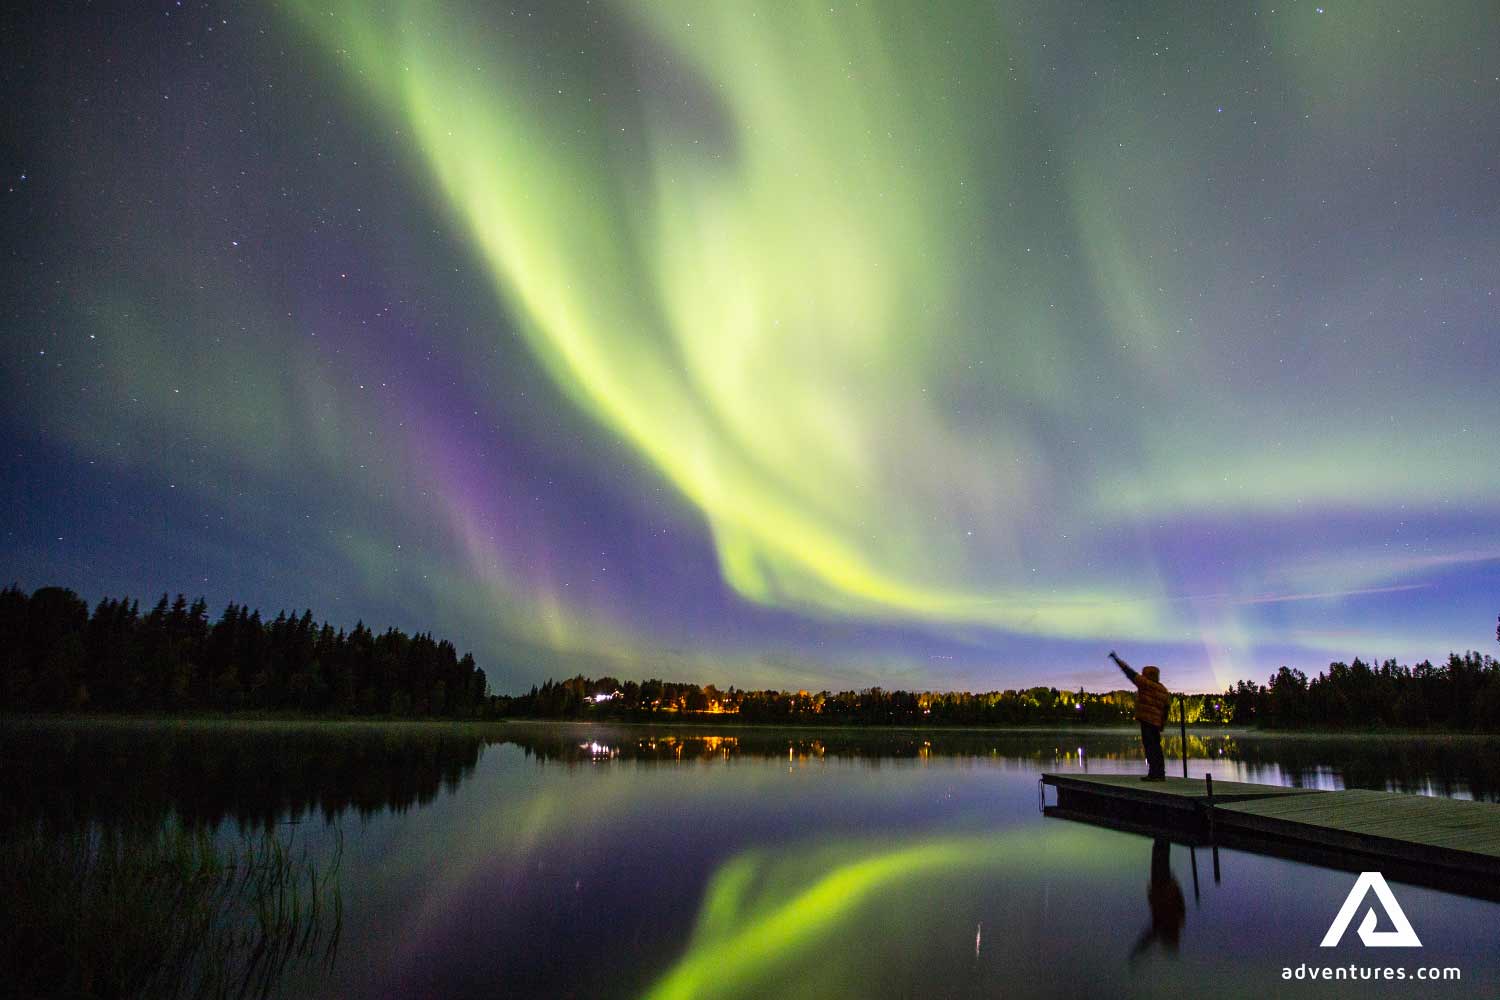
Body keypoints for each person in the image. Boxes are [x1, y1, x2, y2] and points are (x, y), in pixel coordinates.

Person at [1110, 650, 1169, 781]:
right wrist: (1162, 724)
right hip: (1156, 723)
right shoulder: (1163, 689)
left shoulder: (1145, 683)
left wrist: (1116, 659)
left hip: (1147, 720)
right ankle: (1159, 773)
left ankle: (1154, 774)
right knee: (1156, 747)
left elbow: (1129, 673)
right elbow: (1166, 709)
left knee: (1149, 747)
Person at [1129, 838, 1186, 960]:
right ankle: (1162, 838)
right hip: (1163, 888)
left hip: (1161, 888)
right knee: (1160, 854)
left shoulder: (1170, 923)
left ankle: (1162, 838)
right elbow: (1150, 937)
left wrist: (1137, 952)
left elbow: (1149, 937)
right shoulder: (1172, 923)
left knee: (1160, 854)